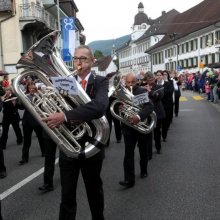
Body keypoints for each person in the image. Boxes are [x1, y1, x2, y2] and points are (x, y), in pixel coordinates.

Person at [42, 45, 109, 220]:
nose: (78, 62)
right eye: (76, 58)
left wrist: (65, 116)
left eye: (83, 59)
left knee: (94, 191)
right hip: (68, 145)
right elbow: (55, 105)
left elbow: (99, 107)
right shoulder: (65, 81)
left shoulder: (100, 81)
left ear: (92, 61)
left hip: (92, 144)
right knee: (67, 195)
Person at [118, 73, 154, 188]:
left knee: (143, 151)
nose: (130, 85)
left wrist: (138, 116)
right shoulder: (122, 92)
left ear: (136, 82)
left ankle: (144, 170)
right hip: (128, 128)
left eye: (132, 82)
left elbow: (149, 107)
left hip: (141, 126)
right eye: (128, 82)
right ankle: (129, 179)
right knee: (128, 153)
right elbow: (117, 108)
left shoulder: (141, 91)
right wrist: (120, 108)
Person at [19, 82, 45, 165]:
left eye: (33, 88)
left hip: (37, 121)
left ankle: (44, 152)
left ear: (35, 89)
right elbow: (21, 107)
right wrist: (18, 102)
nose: (31, 90)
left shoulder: (40, 96)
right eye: (30, 88)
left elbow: (43, 107)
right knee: (27, 141)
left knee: (41, 138)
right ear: (28, 89)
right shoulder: (25, 97)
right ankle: (24, 158)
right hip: (27, 122)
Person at [144, 72, 166, 155]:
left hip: (158, 113)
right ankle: (149, 152)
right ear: (146, 80)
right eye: (149, 80)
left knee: (157, 132)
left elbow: (158, 97)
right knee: (148, 133)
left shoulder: (159, 87)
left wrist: (150, 91)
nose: (151, 81)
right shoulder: (143, 88)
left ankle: (158, 147)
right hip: (147, 113)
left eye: (152, 79)